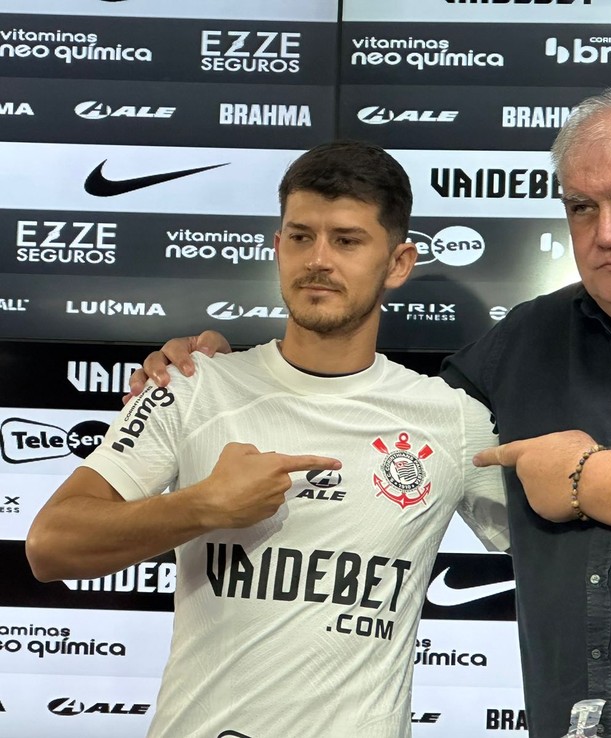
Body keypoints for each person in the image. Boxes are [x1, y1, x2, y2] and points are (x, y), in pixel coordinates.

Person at [128, 89, 611, 738]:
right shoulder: (530, 337)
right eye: (582, 208)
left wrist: (583, 478)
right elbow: (378, 415)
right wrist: (225, 372)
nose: (607, 233)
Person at [25, 141, 509, 738]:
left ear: (398, 262)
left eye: (347, 240)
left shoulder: (451, 418)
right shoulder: (192, 385)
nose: (318, 261)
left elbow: (567, 561)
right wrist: (201, 506)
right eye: (301, 237)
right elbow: (50, 545)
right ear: (278, 247)